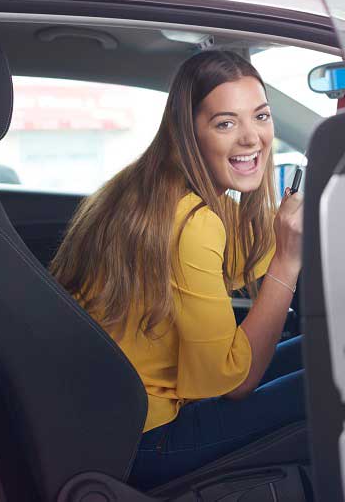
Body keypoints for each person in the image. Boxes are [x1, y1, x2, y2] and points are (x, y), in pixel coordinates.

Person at [51, 50, 306, 489]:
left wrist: (293, 238)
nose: (251, 138)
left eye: (260, 116)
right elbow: (236, 382)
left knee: (316, 352)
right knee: (337, 385)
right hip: (146, 441)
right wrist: (289, 260)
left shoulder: (145, 188)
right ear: (190, 133)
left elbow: (244, 254)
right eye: (226, 123)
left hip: (104, 426)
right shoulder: (192, 223)